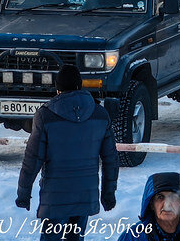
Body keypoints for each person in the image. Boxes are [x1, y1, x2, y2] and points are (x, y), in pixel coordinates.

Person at [16, 65, 119, 241]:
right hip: (85, 194)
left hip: (55, 197)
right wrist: (108, 193)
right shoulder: (100, 114)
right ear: (81, 86)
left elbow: (33, 159)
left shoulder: (45, 115)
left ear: (58, 90)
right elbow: (111, 159)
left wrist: (23, 193)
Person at [117, 172, 180, 241]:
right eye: (160, 197)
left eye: (173, 197)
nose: (167, 204)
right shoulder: (133, 236)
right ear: (151, 205)